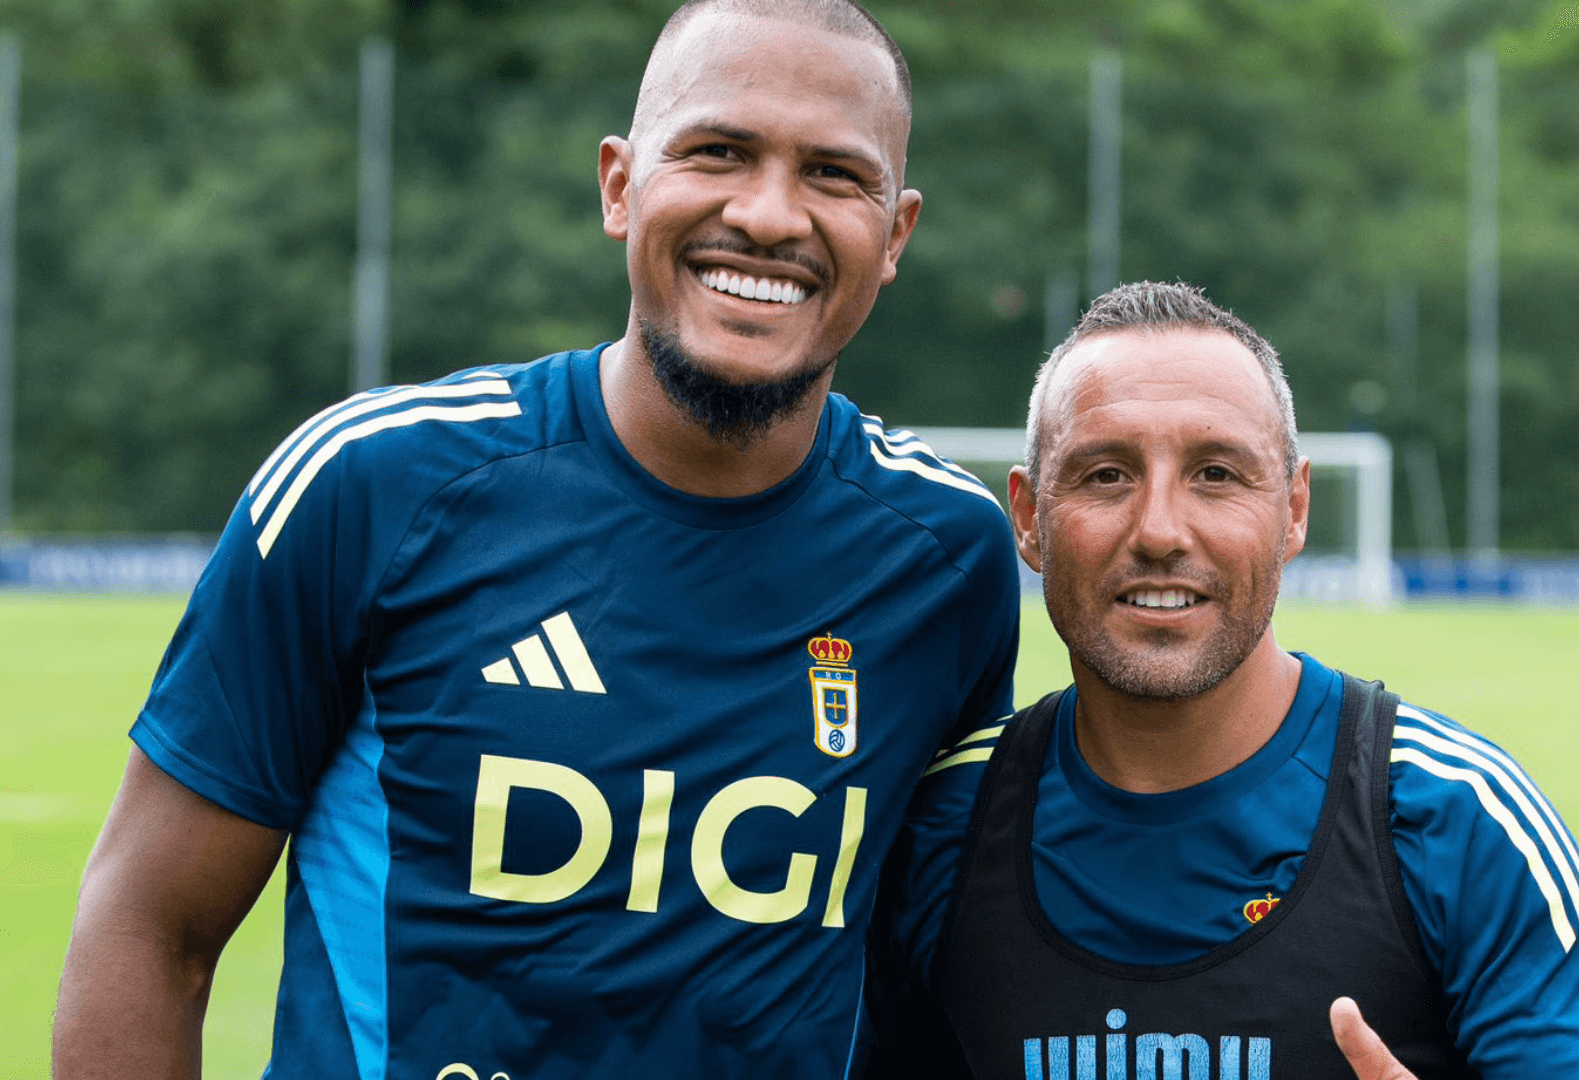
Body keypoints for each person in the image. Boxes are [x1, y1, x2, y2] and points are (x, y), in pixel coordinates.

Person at [51, 3, 1021, 1077]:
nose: (768, 213)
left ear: (896, 236)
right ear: (620, 185)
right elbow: (150, 928)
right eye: (717, 152)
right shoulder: (370, 486)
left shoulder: (948, 557)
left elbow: (926, 968)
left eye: (835, 175)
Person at [878, 282, 1579, 1080]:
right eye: (1106, 475)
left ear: (1294, 511)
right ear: (1027, 517)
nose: (1159, 530)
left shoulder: (1453, 819)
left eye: (1217, 473)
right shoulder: (932, 825)